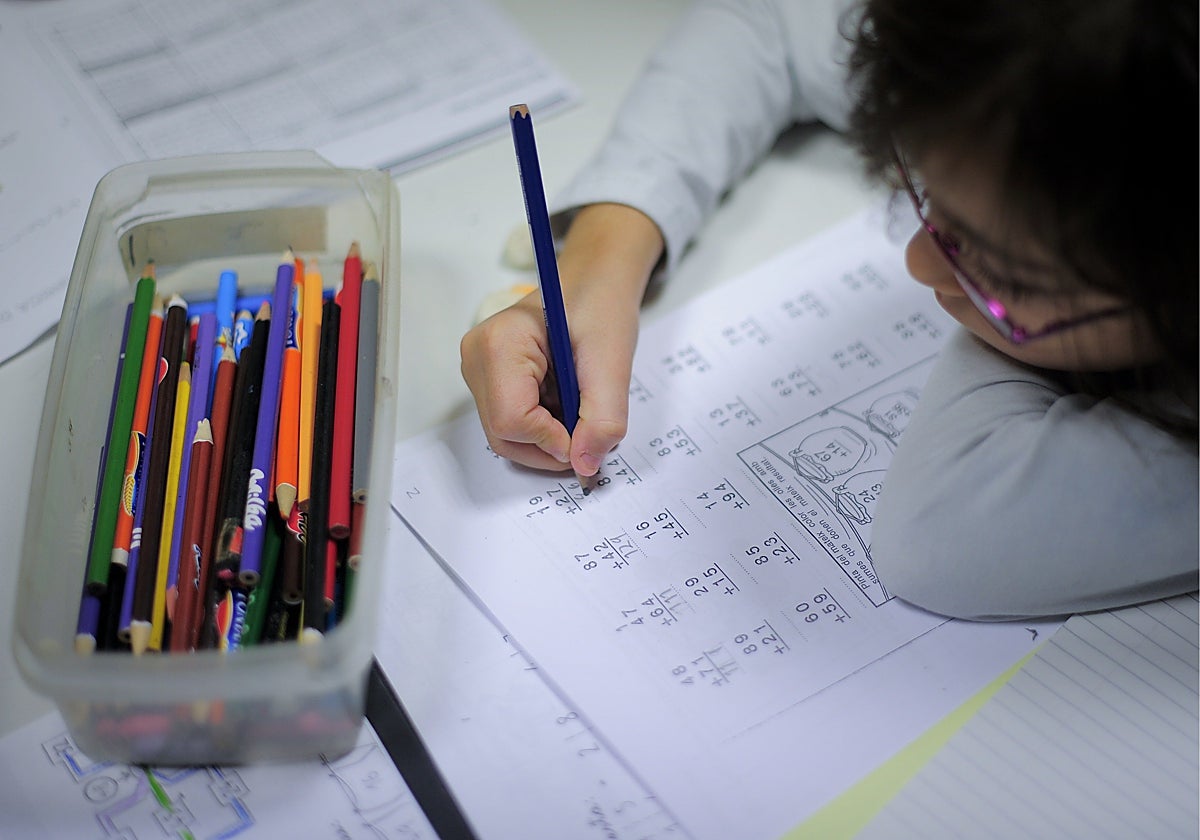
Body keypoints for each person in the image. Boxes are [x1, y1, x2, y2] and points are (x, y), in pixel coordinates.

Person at [460, 0, 1198, 619]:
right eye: (921, 191)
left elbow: (938, 538)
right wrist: (609, 245)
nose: (917, 260)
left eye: (1007, 271)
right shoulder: (1039, 49)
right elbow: (774, 21)